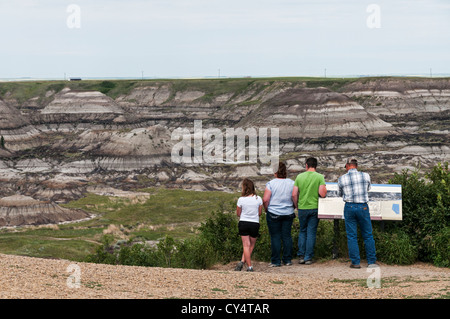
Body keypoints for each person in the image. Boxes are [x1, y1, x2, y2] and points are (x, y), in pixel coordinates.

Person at [338, 158, 377, 269]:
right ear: (356, 165)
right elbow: (368, 188)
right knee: (368, 235)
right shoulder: (366, 176)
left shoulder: (342, 178)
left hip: (349, 206)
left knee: (351, 236)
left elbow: (340, 194)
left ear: (347, 166)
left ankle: (355, 262)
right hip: (363, 206)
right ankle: (371, 261)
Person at [292, 157, 327, 265]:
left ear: (306, 165)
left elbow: (294, 194)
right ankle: (308, 257)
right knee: (311, 232)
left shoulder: (299, 177)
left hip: (302, 208)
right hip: (314, 207)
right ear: (316, 166)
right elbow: (322, 193)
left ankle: (301, 255)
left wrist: (297, 205)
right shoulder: (320, 177)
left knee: (302, 231)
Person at [263, 162, 295, 267]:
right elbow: (294, 195)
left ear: (275, 172)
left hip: (273, 212)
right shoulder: (291, 183)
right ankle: (287, 259)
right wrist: (294, 206)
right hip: (288, 212)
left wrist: (266, 209)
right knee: (287, 236)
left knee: (275, 236)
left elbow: (266, 199)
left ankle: (276, 261)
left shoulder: (271, 184)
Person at [235, 178, 263, 272]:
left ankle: (247, 265)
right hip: (254, 223)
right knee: (251, 245)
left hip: (243, 222)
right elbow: (260, 213)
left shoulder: (241, 199)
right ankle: (244, 263)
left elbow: (238, 213)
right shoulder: (258, 198)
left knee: (245, 245)